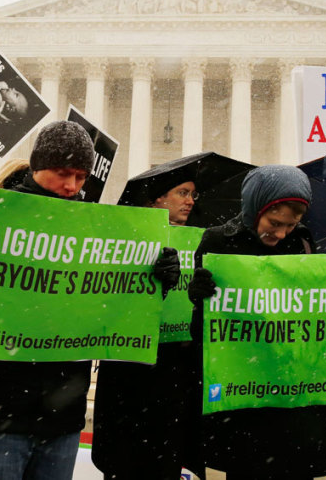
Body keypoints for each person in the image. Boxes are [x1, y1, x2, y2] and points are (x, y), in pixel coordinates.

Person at [0, 121, 179, 479]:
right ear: (36, 167)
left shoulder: (98, 229)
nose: (72, 187)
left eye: (81, 177)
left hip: (62, 417)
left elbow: (117, 309)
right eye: (62, 173)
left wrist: (158, 281)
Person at [186, 165, 326, 479]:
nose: (282, 233)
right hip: (247, 403)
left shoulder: (302, 242)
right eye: (275, 223)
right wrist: (199, 300)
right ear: (254, 207)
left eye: (291, 224)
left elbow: (323, 309)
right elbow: (205, 336)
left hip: (293, 399)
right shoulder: (219, 241)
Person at [93, 165, 200, 479]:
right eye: (183, 192)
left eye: (194, 194)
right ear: (156, 200)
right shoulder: (121, 244)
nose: (191, 201)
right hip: (130, 382)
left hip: (178, 380)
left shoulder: (202, 243)